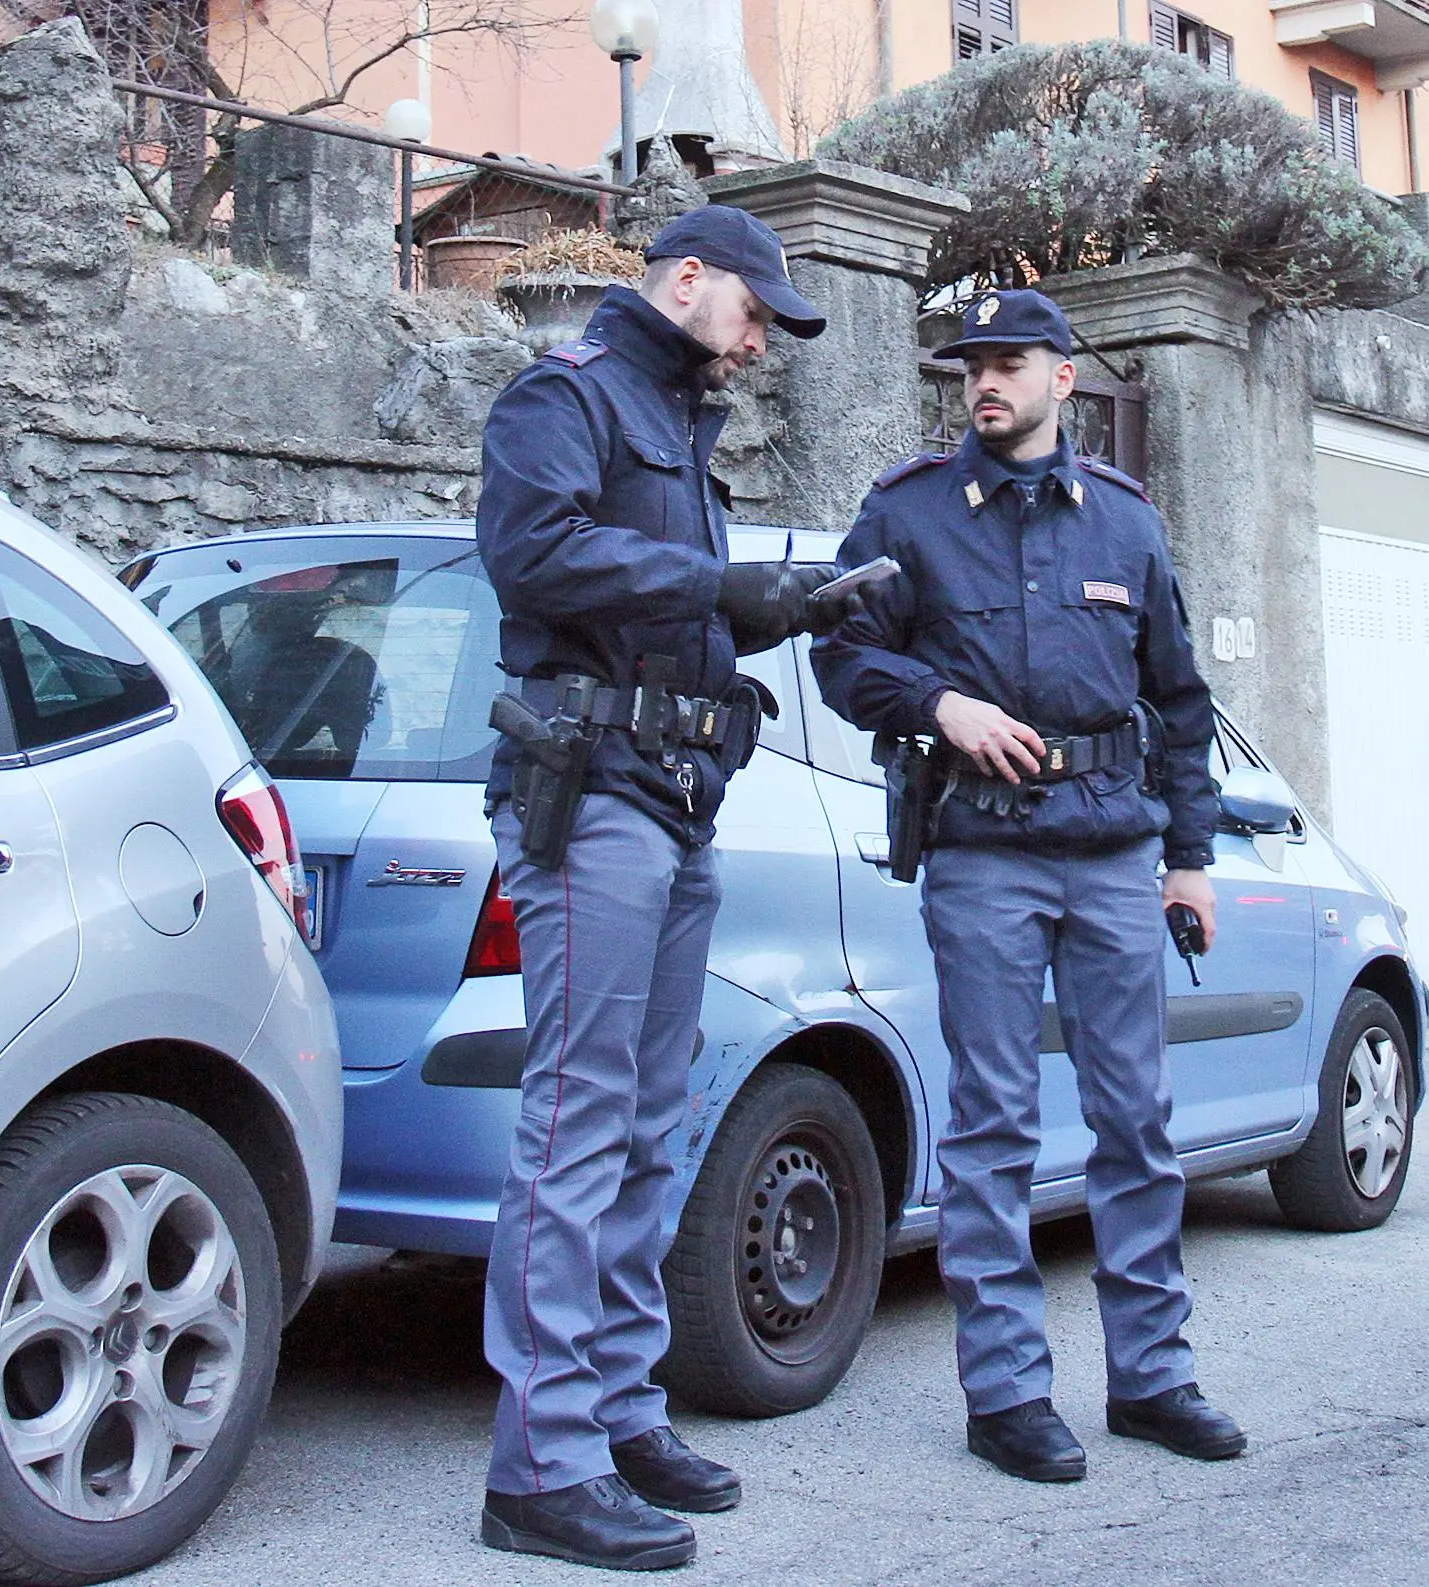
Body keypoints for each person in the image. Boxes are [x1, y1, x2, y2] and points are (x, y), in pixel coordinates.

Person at [811, 289, 1247, 1484]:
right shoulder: (908, 512)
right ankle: (1004, 1394)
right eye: (970, 367)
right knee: (994, 1127)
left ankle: (1151, 1378)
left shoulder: (1124, 523)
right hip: (984, 852)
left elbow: (1174, 701)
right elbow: (839, 650)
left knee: (1134, 1124)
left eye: (1007, 364)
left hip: (1111, 854)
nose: (982, 383)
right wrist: (936, 704)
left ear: (1064, 375)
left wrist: (1191, 857)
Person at [475, 205, 847, 1570]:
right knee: (574, 1129)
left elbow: (685, 600)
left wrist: (788, 603)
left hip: (678, 802)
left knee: (643, 1125)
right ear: (683, 279)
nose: (757, 342)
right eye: (752, 313)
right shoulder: (559, 396)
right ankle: (537, 1465)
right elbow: (530, 553)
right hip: (595, 798)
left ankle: (618, 1413)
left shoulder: (683, 427)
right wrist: (716, 577)